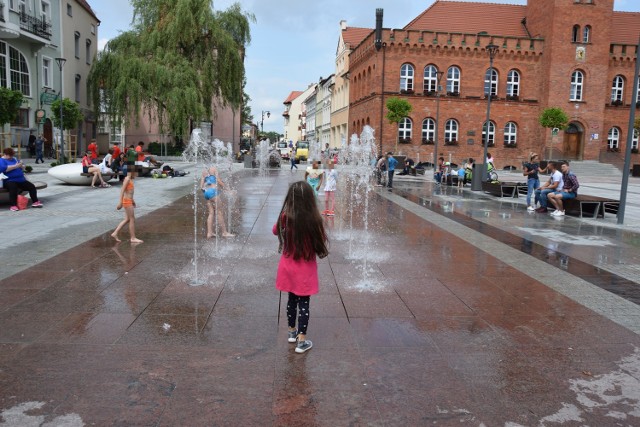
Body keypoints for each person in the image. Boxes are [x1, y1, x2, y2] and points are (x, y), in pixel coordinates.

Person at [273, 181, 329, 354]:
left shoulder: (285, 216)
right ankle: (301, 341)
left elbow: (275, 231)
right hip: (305, 269)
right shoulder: (314, 219)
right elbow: (320, 239)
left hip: (287, 266)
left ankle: (291, 332)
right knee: (304, 303)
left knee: (291, 299)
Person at [200, 166, 235, 238]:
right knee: (219, 212)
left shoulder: (204, 171)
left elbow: (201, 187)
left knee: (211, 213)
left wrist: (207, 192)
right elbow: (218, 181)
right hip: (213, 192)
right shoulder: (214, 168)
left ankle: (209, 233)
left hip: (206, 193)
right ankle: (224, 232)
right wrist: (228, 190)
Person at [111, 167, 143, 243]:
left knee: (127, 219)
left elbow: (129, 192)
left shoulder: (130, 179)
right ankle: (133, 238)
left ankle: (115, 233)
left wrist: (133, 201)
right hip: (127, 202)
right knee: (132, 219)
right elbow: (122, 190)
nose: (136, 174)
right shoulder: (127, 179)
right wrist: (120, 202)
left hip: (129, 201)